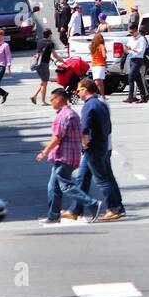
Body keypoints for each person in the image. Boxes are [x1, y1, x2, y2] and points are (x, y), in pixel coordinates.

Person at [35, 86, 100, 224]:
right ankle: (53, 216)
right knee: (53, 187)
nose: (51, 102)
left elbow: (57, 137)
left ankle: (92, 203)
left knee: (65, 185)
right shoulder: (71, 113)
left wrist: (44, 152)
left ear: (59, 99)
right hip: (69, 156)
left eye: (52, 99)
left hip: (64, 157)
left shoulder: (64, 115)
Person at [77, 79, 125, 221]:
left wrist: (84, 145)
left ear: (85, 90)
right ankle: (76, 209)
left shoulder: (89, 106)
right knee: (82, 178)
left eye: (79, 90)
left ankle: (114, 208)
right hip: (102, 145)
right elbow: (109, 127)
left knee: (102, 180)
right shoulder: (101, 103)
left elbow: (84, 129)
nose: (77, 93)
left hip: (92, 147)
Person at [124, 23, 149, 103]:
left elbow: (141, 51)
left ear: (136, 30)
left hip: (138, 60)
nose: (131, 34)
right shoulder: (130, 39)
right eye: (130, 32)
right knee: (138, 79)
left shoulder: (141, 39)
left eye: (132, 32)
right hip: (131, 59)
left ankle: (130, 96)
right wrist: (127, 49)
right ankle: (144, 96)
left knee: (130, 77)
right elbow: (127, 50)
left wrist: (132, 49)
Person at [31, 28, 56, 105]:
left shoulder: (39, 42)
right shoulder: (50, 43)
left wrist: (52, 59)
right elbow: (55, 54)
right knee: (44, 83)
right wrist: (60, 60)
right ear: (50, 35)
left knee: (43, 82)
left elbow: (43, 54)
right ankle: (43, 101)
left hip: (38, 64)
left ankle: (34, 96)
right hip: (44, 64)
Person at [89, 25, 107, 97]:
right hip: (100, 65)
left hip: (94, 65)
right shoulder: (101, 46)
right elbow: (104, 56)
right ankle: (99, 95)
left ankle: (102, 95)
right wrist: (105, 59)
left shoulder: (91, 46)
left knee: (98, 81)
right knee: (99, 82)